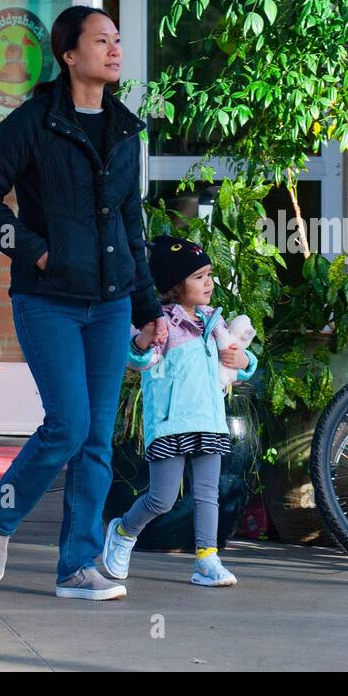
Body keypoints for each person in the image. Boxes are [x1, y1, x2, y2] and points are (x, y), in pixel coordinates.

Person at [0, 5, 169, 601]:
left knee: (97, 440)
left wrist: (147, 306)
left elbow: (132, 226)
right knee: (69, 424)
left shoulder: (126, 131)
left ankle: (78, 566)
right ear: (69, 55)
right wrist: (36, 253)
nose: (114, 49)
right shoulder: (34, 121)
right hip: (47, 300)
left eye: (118, 40)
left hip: (108, 305)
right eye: (101, 40)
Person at [101, 235, 258, 587]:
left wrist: (244, 360)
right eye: (199, 276)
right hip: (171, 423)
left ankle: (208, 558)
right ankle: (124, 530)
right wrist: (142, 342)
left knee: (207, 494)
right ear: (175, 285)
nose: (209, 282)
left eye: (210, 274)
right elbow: (139, 360)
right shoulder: (161, 323)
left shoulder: (213, 322)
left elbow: (239, 360)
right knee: (162, 498)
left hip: (209, 421)